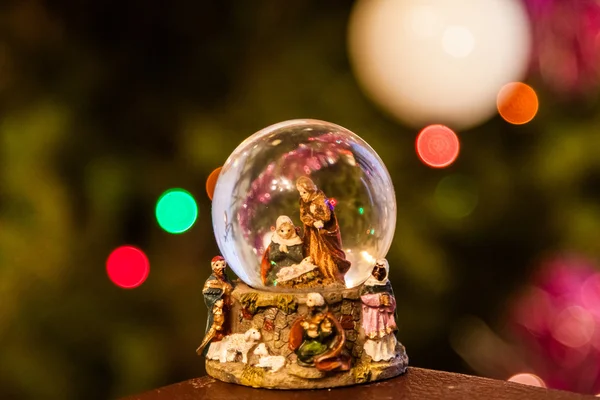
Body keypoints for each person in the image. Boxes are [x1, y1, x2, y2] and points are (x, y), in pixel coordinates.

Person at [296, 176, 350, 284]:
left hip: (323, 233)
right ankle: (315, 274)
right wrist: (312, 222)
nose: (301, 195)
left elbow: (327, 216)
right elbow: (303, 215)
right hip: (312, 233)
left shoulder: (321, 200)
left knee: (326, 255)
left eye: (304, 192)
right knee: (312, 252)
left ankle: (330, 276)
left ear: (310, 190)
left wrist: (320, 220)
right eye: (300, 192)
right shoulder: (303, 200)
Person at [288, 293, 351, 372]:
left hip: (322, 343)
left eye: (311, 307)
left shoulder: (325, 317)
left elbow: (331, 333)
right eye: (309, 307)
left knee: (303, 353)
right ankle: (311, 360)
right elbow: (305, 329)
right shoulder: (310, 316)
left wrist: (319, 333)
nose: (310, 309)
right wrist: (307, 331)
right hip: (311, 341)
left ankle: (321, 360)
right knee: (300, 351)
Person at [360, 259, 398, 362]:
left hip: (384, 316)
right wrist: (378, 299)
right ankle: (372, 353)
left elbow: (393, 301)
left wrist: (389, 301)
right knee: (374, 337)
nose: (377, 273)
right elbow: (364, 298)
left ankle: (386, 353)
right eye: (375, 269)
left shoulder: (387, 284)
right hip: (372, 316)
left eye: (381, 270)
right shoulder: (368, 284)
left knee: (384, 336)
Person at [196, 256, 234, 355]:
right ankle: (210, 348)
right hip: (218, 309)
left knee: (228, 326)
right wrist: (216, 301)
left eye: (223, 265)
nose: (220, 267)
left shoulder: (226, 278)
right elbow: (206, 294)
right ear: (213, 266)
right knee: (217, 326)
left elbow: (230, 287)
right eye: (217, 265)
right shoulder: (211, 282)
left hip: (228, 306)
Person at [260, 216, 304, 285]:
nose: (286, 233)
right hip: (278, 268)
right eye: (282, 231)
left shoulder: (296, 241)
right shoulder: (275, 240)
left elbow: (299, 258)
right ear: (278, 230)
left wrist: (287, 252)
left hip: (293, 269)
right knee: (270, 281)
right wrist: (280, 251)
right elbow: (272, 257)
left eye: (289, 230)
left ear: (292, 229)